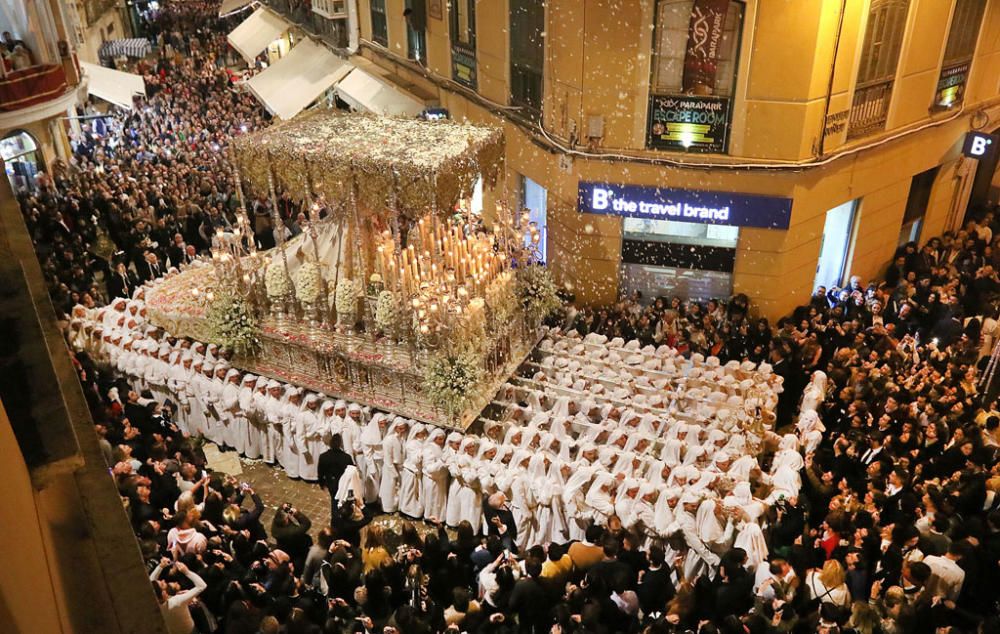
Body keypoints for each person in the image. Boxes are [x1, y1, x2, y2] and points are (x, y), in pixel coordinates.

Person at [317, 433, 353, 521]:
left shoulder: (323, 457)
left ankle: (335, 520)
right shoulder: (346, 457)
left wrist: (322, 484)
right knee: (344, 501)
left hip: (331, 484)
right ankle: (345, 518)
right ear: (340, 444)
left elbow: (320, 472)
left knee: (334, 501)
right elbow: (351, 471)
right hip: (344, 484)